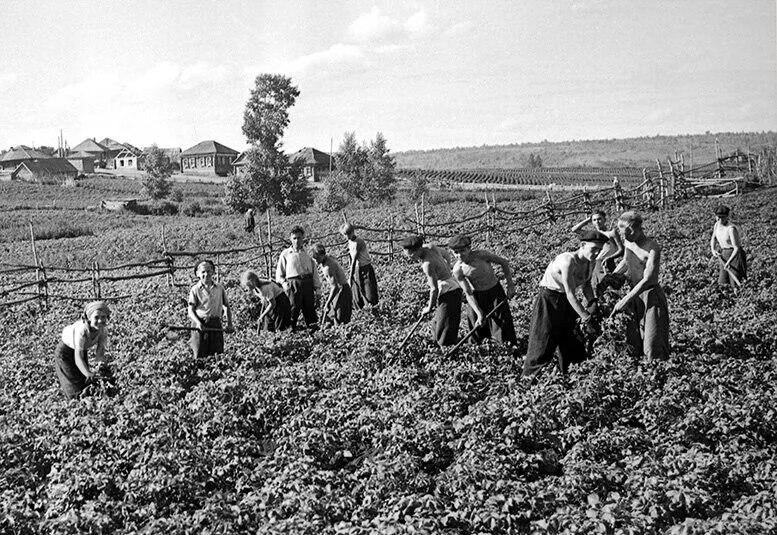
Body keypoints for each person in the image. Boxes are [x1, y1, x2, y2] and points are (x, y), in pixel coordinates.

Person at [522, 231, 607, 379]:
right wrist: (587, 318)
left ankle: (571, 378)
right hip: (549, 300)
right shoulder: (567, 261)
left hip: (567, 303)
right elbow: (570, 294)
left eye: (600, 250)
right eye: (594, 249)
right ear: (582, 245)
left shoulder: (591, 261)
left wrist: (592, 302)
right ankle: (528, 382)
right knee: (542, 342)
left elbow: (586, 284)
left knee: (573, 342)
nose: (596, 253)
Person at [612, 211, 670, 360]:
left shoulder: (652, 248)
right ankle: (638, 374)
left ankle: (658, 373)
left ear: (632, 229)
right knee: (633, 339)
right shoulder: (628, 241)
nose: (622, 236)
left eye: (624, 232)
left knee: (652, 343)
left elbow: (649, 279)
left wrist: (625, 300)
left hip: (650, 295)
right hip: (634, 293)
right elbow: (626, 261)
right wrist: (611, 277)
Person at [448, 234, 518, 349]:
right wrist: (479, 313)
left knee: (502, 325)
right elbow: (468, 293)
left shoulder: (481, 255)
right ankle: (480, 353)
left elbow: (503, 262)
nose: (459, 255)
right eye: (456, 252)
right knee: (477, 328)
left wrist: (510, 286)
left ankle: (507, 351)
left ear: (469, 248)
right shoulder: (458, 270)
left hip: (495, 293)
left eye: (462, 250)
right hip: (477, 297)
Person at [401, 235, 462, 347]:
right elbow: (447, 255)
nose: (410, 258)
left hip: (449, 291)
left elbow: (434, 289)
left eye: (411, 255)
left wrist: (428, 308)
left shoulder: (427, 264)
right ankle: (436, 346)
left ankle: (447, 352)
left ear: (419, 249)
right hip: (450, 285)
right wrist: (447, 269)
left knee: (446, 325)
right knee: (436, 322)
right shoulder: (430, 247)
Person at [54, 300, 111, 399]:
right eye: (96, 317)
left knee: (84, 383)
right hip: (65, 353)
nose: (100, 320)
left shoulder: (103, 330)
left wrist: (100, 365)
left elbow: (100, 352)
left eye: (103, 317)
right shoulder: (82, 330)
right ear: (89, 318)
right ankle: (76, 407)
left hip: (81, 350)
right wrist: (88, 373)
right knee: (74, 387)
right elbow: (78, 357)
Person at [276, 225, 321, 330]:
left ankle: (314, 331)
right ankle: (290, 332)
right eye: (294, 238)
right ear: (290, 239)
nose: (297, 241)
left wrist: (317, 288)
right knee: (293, 308)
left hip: (307, 282)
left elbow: (314, 271)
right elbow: (279, 274)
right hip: (293, 284)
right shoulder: (286, 254)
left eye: (299, 238)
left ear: (303, 238)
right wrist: (285, 284)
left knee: (309, 308)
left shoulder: (308, 253)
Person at [188, 260, 234, 358]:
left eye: (209, 271)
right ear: (197, 274)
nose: (206, 274)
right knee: (200, 354)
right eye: (203, 272)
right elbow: (190, 310)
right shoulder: (195, 289)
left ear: (213, 272)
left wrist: (229, 324)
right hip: (199, 324)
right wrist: (198, 323)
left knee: (217, 354)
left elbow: (226, 306)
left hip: (215, 324)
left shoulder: (219, 288)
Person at [571, 209, 624, 294]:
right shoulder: (592, 235)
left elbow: (621, 250)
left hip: (608, 263)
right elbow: (574, 229)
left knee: (614, 289)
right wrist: (588, 219)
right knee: (598, 289)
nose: (597, 222)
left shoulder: (611, 233)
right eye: (594, 220)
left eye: (599, 219)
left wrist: (609, 258)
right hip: (595, 264)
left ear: (605, 220)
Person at [311, 243, 353, 326]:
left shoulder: (328, 267)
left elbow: (335, 287)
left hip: (342, 291)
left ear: (321, 255)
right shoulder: (328, 258)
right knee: (335, 316)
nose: (315, 261)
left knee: (340, 320)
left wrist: (328, 302)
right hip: (341, 289)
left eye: (316, 258)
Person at [340, 223, 379, 307]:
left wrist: (350, 277)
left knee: (369, 292)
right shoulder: (350, 242)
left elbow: (354, 260)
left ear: (353, 232)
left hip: (365, 268)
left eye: (348, 234)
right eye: (345, 235)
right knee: (357, 293)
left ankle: (372, 310)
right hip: (357, 269)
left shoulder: (358, 242)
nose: (346, 237)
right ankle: (361, 312)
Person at [710, 204, 746, 287]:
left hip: (735, 256)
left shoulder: (731, 229)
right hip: (724, 253)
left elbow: (736, 248)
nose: (719, 220)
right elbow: (713, 238)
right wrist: (713, 249)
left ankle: (739, 296)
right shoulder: (717, 225)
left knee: (734, 279)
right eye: (718, 217)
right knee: (722, 281)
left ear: (727, 216)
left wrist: (729, 262)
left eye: (722, 217)